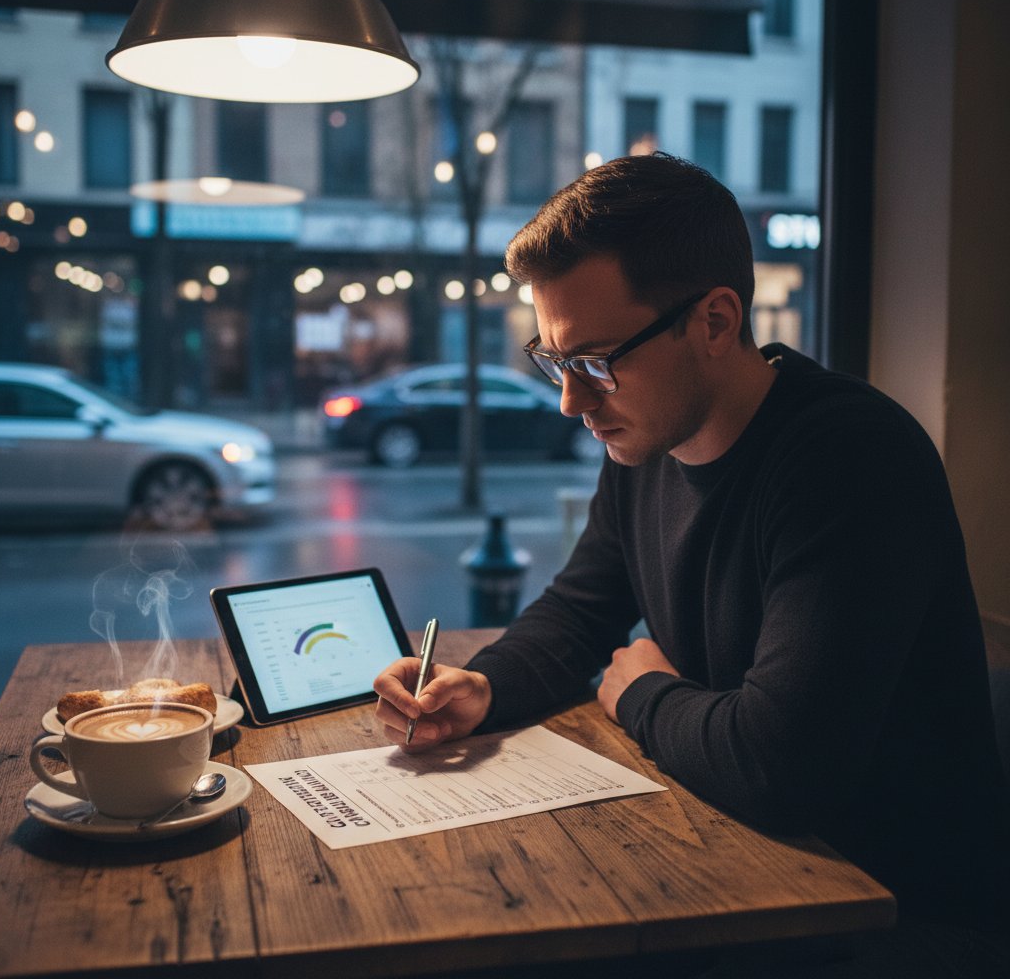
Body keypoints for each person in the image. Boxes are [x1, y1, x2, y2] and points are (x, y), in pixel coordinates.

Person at [373, 153, 1009, 976]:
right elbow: (580, 609)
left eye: (596, 361)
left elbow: (779, 767)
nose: (572, 401)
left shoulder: (850, 458)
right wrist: (483, 687)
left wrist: (641, 692)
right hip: (749, 871)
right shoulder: (644, 441)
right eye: (554, 360)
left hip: (889, 913)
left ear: (714, 321)